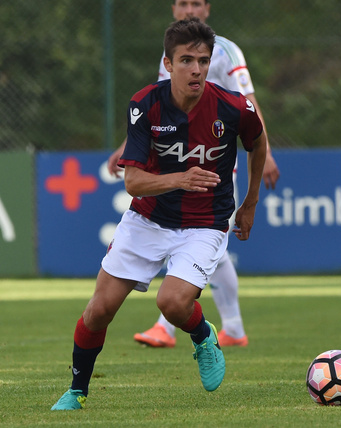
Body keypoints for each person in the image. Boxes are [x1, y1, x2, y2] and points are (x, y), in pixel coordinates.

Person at [51, 17, 267, 410]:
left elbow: (258, 142)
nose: (196, 69)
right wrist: (180, 178)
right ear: (168, 64)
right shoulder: (145, 104)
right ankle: (77, 391)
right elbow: (133, 182)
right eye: (186, 60)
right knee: (98, 310)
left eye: (203, 61)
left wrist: (250, 202)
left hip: (205, 223)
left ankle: (202, 336)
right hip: (147, 219)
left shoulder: (234, 106)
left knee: (171, 302)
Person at [107, 0, 279, 349]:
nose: (189, 9)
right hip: (174, 163)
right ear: (173, 9)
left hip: (213, 165)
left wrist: (267, 152)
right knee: (204, 245)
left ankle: (168, 326)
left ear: (207, 9)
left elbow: (248, 102)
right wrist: (126, 146)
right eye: (183, 3)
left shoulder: (226, 51)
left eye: (196, 3)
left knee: (198, 236)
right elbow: (156, 110)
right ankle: (232, 328)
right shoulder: (170, 53)